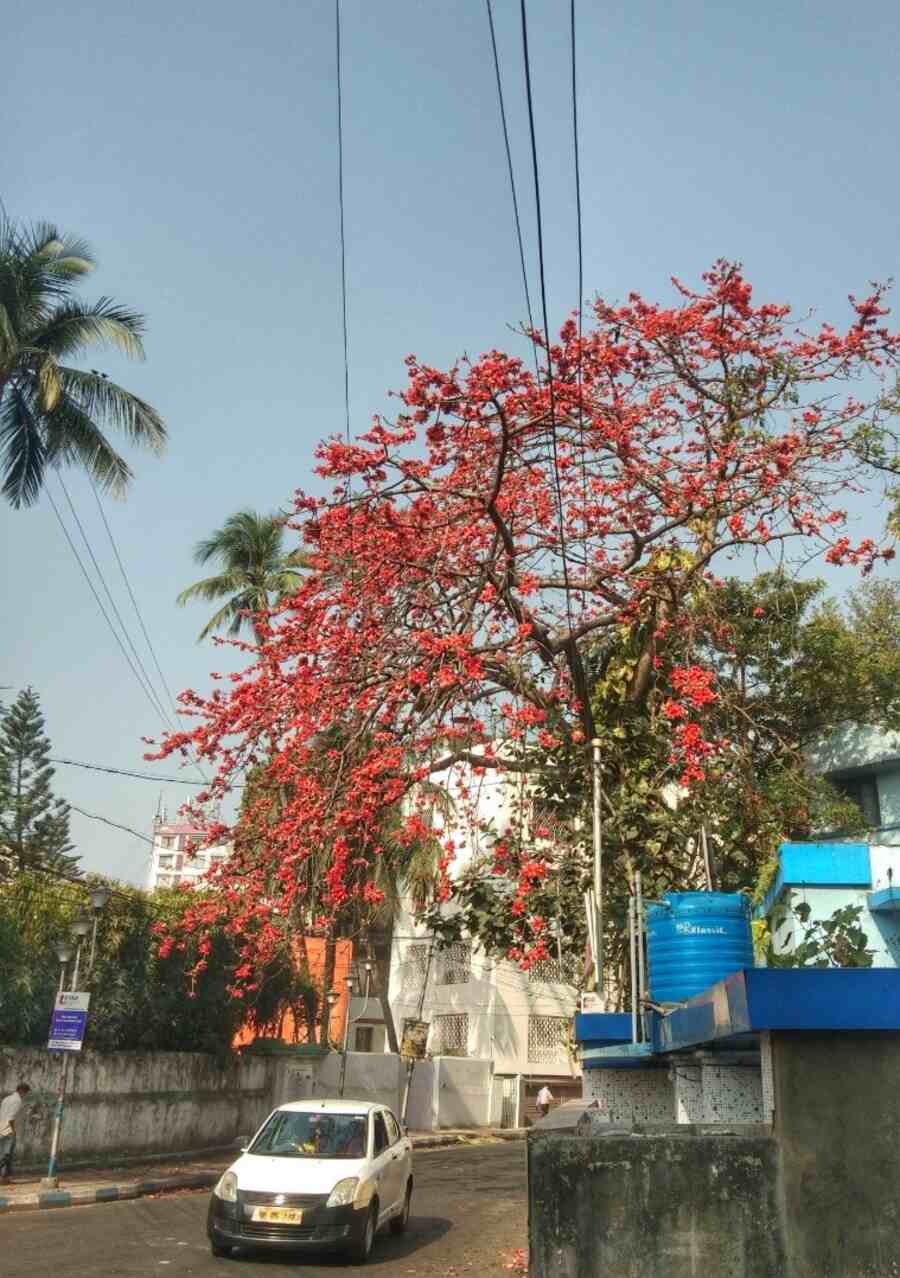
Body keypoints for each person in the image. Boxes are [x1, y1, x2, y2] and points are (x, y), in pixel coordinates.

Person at [0, 1083, 31, 1184]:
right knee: (6, 1154)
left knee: (3, 1153)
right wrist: (13, 1131)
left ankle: (5, 1178)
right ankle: (3, 1177)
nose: (25, 1095)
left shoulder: (7, 1099)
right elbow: (11, 1118)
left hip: (1, 1127)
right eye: (26, 1093)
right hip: (8, 1129)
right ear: (22, 1091)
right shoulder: (17, 1101)